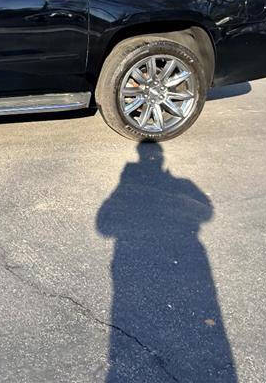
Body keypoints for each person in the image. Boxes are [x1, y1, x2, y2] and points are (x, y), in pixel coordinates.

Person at [96, 143, 237, 382]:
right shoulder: (180, 184)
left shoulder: (128, 182)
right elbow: (206, 213)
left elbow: (103, 226)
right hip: (185, 250)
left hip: (130, 257)